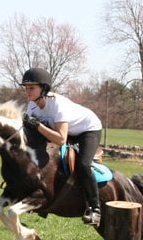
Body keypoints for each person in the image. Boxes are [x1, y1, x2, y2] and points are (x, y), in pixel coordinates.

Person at [20, 68, 103, 226]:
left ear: (43, 88)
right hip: (66, 131)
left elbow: (60, 139)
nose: (27, 92)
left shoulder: (57, 104)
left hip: (87, 130)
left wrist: (37, 125)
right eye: (26, 88)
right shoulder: (32, 106)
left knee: (83, 164)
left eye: (31, 88)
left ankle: (95, 209)